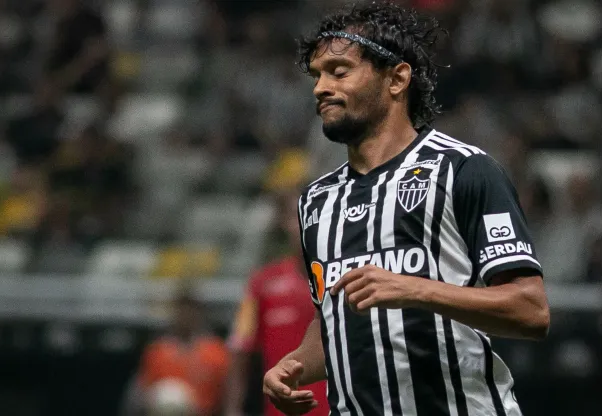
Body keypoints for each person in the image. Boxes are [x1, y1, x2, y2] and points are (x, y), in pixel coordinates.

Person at [262, 3, 550, 416]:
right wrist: (293, 367)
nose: (320, 87)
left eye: (339, 72)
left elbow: (531, 310)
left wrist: (415, 289)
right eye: (317, 75)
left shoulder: (464, 170)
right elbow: (334, 322)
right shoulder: (315, 202)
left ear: (396, 79)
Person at [224, 191, 329, 416]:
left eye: (311, 214)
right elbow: (240, 348)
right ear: (283, 222)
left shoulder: (346, 278)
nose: (303, 223)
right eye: (294, 216)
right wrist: (233, 408)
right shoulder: (261, 284)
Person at [121, 289, 230, 416]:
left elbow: (227, 392)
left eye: (190, 311)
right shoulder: (157, 351)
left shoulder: (216, 351)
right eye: (181, 311)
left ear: (199, 314)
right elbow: (140, 391)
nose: (185, 317)